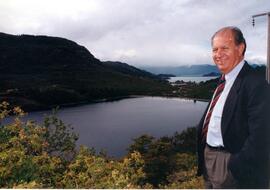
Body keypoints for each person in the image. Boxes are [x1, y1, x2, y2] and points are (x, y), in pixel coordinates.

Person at [197, 26, 270, 188]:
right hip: (209, 160)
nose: (218, 54)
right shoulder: (224, 80)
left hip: (230, 165)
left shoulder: (255, 84)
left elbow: (261, 137)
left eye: (224, 48)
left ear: (240, 48)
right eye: (215, 49)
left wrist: (235, 167)